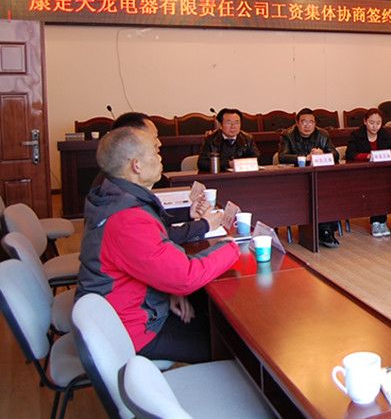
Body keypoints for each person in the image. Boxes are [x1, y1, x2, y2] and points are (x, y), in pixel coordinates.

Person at [77, 127, 240, 363]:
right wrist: (232, 246)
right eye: (154, 152)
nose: (160, 156)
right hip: (130, 330)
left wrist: (168, 289)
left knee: (209, 315)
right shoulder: (127, 218)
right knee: (229, 343)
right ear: (136, 165)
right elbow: (185, 276)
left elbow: (155, 258)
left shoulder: (114, 196)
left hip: (126, 310)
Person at [91, 111, 219, 244]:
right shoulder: (121, 202)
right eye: (153, 139)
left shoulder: (116, 184)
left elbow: (153, 222)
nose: (159, 144)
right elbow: (157, 237)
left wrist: (188, 214)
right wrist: (204, 225)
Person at [279, 108, 341, 248]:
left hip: (319, 177)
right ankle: (324, 231)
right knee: (314, 194)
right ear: (297, 123)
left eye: (311, 122)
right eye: (304, 122)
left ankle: (326, 230)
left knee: (329, 192)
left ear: (315, 124)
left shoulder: (323, 134)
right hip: (296, 179)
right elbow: (282, 156)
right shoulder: (287, 135)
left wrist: (323, 153)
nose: (307, 125)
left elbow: (336, 154)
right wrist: (306, 157)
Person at [345, 108, 391, 237]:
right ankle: (377, 222)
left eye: (378, 123)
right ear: (365, 121)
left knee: (384, 186)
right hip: (362, 174)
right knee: (376, 187)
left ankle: (381, 221)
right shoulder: (356, 135)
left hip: (382, 173)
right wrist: (368, 156)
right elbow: (350, 154)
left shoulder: (385, 134)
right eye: (371, 122)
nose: (375, 126)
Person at [197, 108, 260, 172]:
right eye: (229, 123)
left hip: (241, 175)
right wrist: (227, 164)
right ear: (220, 125)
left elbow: (256, 159)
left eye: (236, 123)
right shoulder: (211, 139)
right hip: (220, 176)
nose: (233, 126)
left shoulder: (247, 139)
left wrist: (239, 164)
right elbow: (202, 163)